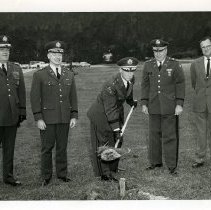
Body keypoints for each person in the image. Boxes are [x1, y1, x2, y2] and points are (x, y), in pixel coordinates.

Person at [30, 40, 78, 186]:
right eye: (55, 54)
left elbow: (73, 97)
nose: (58, 57)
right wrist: (38, 118)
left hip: (64, 117)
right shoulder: (40, 75)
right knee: (47, 148)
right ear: (48, 55)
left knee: (62, 148)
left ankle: (62, 174)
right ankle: (46, 176)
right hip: (47, 119)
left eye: (60, 54)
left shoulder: (69, 74)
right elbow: (34, 98)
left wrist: (74, 115)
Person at [87, 57, 138, 181]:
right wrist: (116, 129)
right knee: (105, 143)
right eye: (127, 71)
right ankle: (105, 174)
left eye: (132, 71)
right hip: (101, 114)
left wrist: (131, 102)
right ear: (121, 70)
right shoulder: (110, 85)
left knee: (117, 141)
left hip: (115, 111)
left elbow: (127, 91)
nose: (130, 74)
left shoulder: (131, 79)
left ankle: (113, 168)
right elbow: (110, 109)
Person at [141, 39, 185, 175]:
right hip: (153, 105)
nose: (158, 54)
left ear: (166, 50)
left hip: (169, 106)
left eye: (160, 51)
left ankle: (172, 166)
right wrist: (144, 103)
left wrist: (179, 104)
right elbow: (145, 85)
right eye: (155, 51)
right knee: (154, 135)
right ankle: (155, 162)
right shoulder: (148, 65)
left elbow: (180, 84)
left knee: (170, 136)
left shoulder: (175, 64)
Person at [0, 35, 26, 186]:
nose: (4, 52)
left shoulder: (15, 68)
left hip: (11, 116)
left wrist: (22, 111)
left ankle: (8, 177)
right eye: (1, 49)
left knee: (9, 149)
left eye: (6, 50)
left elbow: (21, 91)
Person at [190, 36, 211, 168]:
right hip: (200, 103)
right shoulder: (195, 64)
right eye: (203, 47)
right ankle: (199, 158)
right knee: (200, 132)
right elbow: (194, 83)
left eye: (208, 46)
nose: (206, 49)